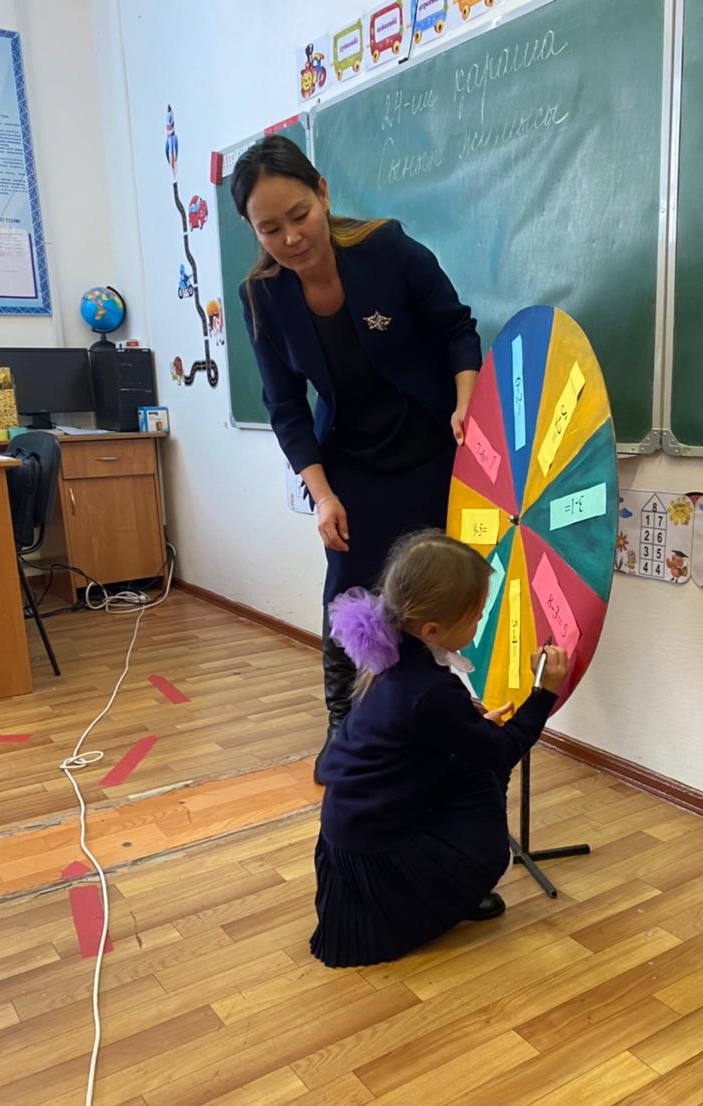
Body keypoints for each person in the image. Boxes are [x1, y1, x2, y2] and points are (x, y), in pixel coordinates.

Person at [231, 135, 481, 782]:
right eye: (270, 229)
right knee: (348, 589)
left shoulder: (385, 248)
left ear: (322, 193)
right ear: (252, 230)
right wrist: (322, 495)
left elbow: (456, 327)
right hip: (348, 460)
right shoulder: (263, 296)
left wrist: (466, 401)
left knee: (433, 587)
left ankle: (435, 723)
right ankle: (345, 727)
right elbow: (285, 406)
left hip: (432, 448)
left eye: (299, 215)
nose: (291, 238)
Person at [310, 531, 568, 969]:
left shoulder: (394, 655)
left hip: (355, 832)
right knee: (483, 791)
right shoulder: (429, 688)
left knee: (470, 767)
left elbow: (416, 734)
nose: (480, 621)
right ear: (431, 630)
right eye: (477, 616)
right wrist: (544, 693)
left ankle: (432, 887)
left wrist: (470, 727)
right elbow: (500, 752)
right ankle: (440, 895)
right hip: (376, 849)